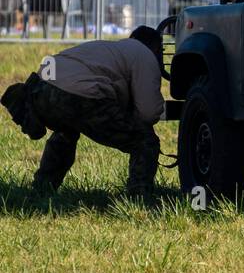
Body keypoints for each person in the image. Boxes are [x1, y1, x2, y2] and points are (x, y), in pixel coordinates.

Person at [1, 26, 166, 196]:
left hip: (42, 86)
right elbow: (149, 112)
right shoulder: (144, 54)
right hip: (81, 95)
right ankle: (139, 196)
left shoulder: (112, 49)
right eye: (161, 51)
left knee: (66, 132)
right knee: (144, 141)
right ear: (155, 48)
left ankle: (42, 189)